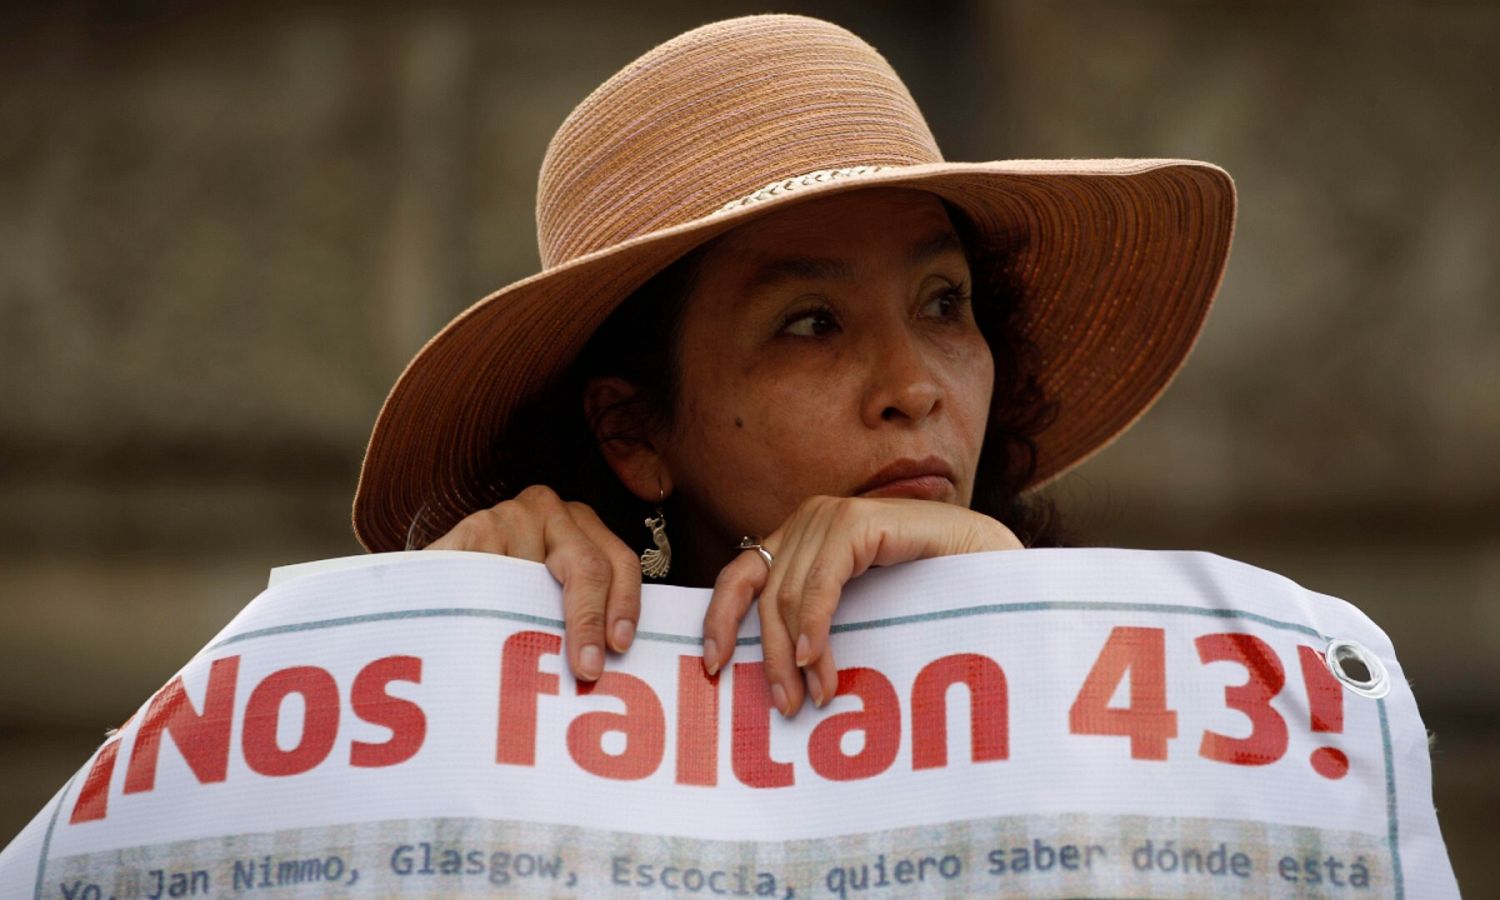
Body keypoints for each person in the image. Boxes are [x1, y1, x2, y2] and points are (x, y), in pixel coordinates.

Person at [350, 14, 1235, 719]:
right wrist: (447, 649)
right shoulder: (518, 673)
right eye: (811, 323)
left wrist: (1018, 611)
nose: (914, 388)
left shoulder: (1186, 692)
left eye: (943, 303)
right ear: (632, 429)